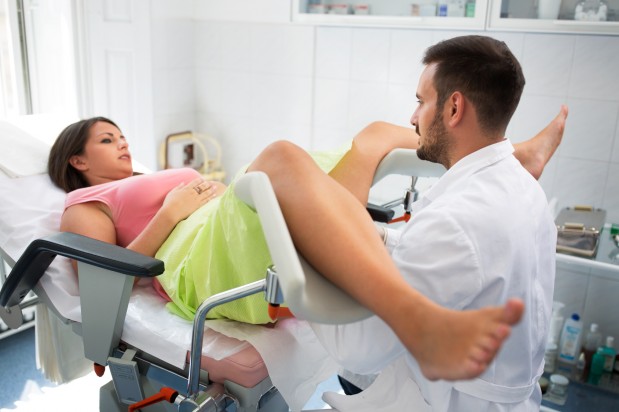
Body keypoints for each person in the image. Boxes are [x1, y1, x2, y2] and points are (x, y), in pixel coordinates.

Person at [48, 56, 565, 384]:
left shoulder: (143, 175)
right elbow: (102, 275)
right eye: (108, 140)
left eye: (122, 135)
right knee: (281, 158)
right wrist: (169, 213)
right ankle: (499, 162)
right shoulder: (87, 201)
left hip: (219, 232)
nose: (124, 144)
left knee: (362, 142)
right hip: (194, 263)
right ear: (77, 160)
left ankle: (503, 155)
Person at [281, 35, 562, 411]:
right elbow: (459, 264)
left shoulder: (458, 221)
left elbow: (358, 349)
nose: (413, 117)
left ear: (454, 107)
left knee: (367, 139)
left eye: (420, 101)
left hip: (452, 402)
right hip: (508, 393)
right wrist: (377, 237)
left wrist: (299, 272)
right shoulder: (524, 189)